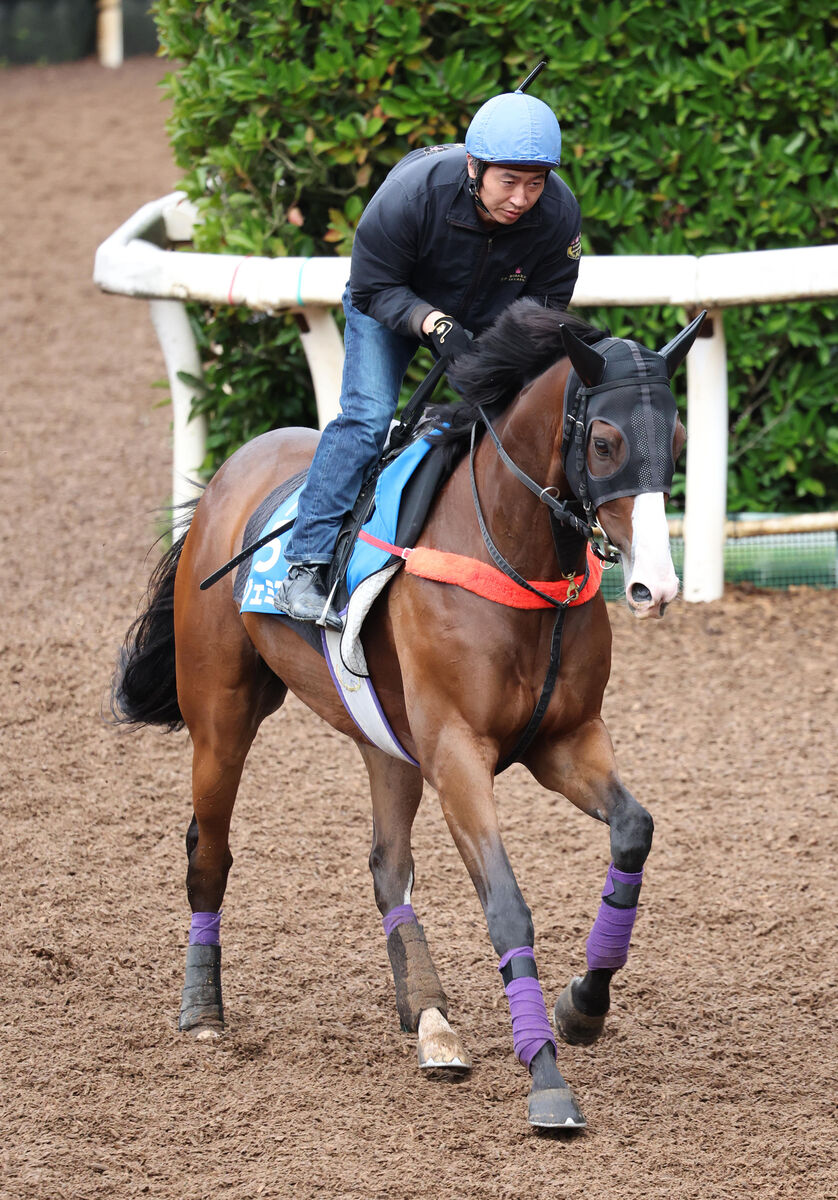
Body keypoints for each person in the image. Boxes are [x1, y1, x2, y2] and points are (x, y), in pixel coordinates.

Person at [273, 88, 583, 629]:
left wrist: (498, 348)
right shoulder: (412, 197)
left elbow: (547, 307)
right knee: (368, 418)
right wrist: (432, 323)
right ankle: (306, 565)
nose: (522, 199)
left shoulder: (559, 214)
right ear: (474, 166)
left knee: (508, 417)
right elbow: (370, 288)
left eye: (535, 184)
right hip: (391, 298)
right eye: (508, 181)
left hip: (490, 315)